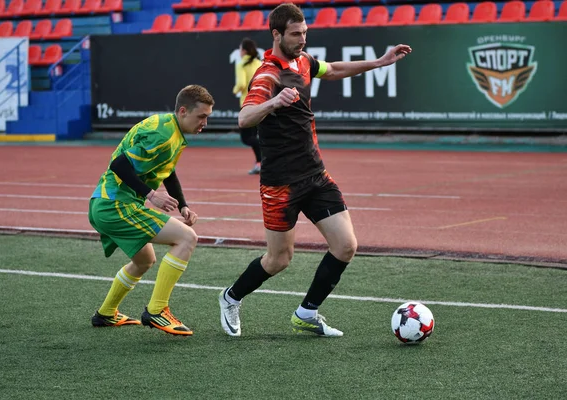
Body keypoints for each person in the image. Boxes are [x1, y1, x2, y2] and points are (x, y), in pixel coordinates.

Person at [218, 3, 411, 337]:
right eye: (296, 34)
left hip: (315, 174)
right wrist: (273, 103)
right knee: (279, 259)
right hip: (280, 183)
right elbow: (243, 117)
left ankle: (306, 312)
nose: (303, 39)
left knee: (346, 245)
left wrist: (379, 62)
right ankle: (231, 297)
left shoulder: (303, 61)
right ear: (276, 34)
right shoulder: (267, 74)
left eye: (305, 32)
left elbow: (332, 69)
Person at [89, 85, 214, 336]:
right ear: (182, 111)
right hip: (113, 205)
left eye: (208, 117)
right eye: (201, 116)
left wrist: (183, 205)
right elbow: (118, 164)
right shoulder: (162, 133)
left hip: (110, 204)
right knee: (187, 238)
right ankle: (157, 311)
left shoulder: (171, 129)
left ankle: (106, 314)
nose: (205, 123)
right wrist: (151, 195)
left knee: (145, 260)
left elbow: (168, 170)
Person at [232, 37, 263, 175]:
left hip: (247, 104)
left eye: (240, 49)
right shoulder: (259, 63)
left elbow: (241, 84)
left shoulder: (241, 64)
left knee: (246, 138)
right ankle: (260, 162)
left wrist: (234, 91)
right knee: (255, 135)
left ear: (244, 50)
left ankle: (262, 159)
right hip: (261, 103)